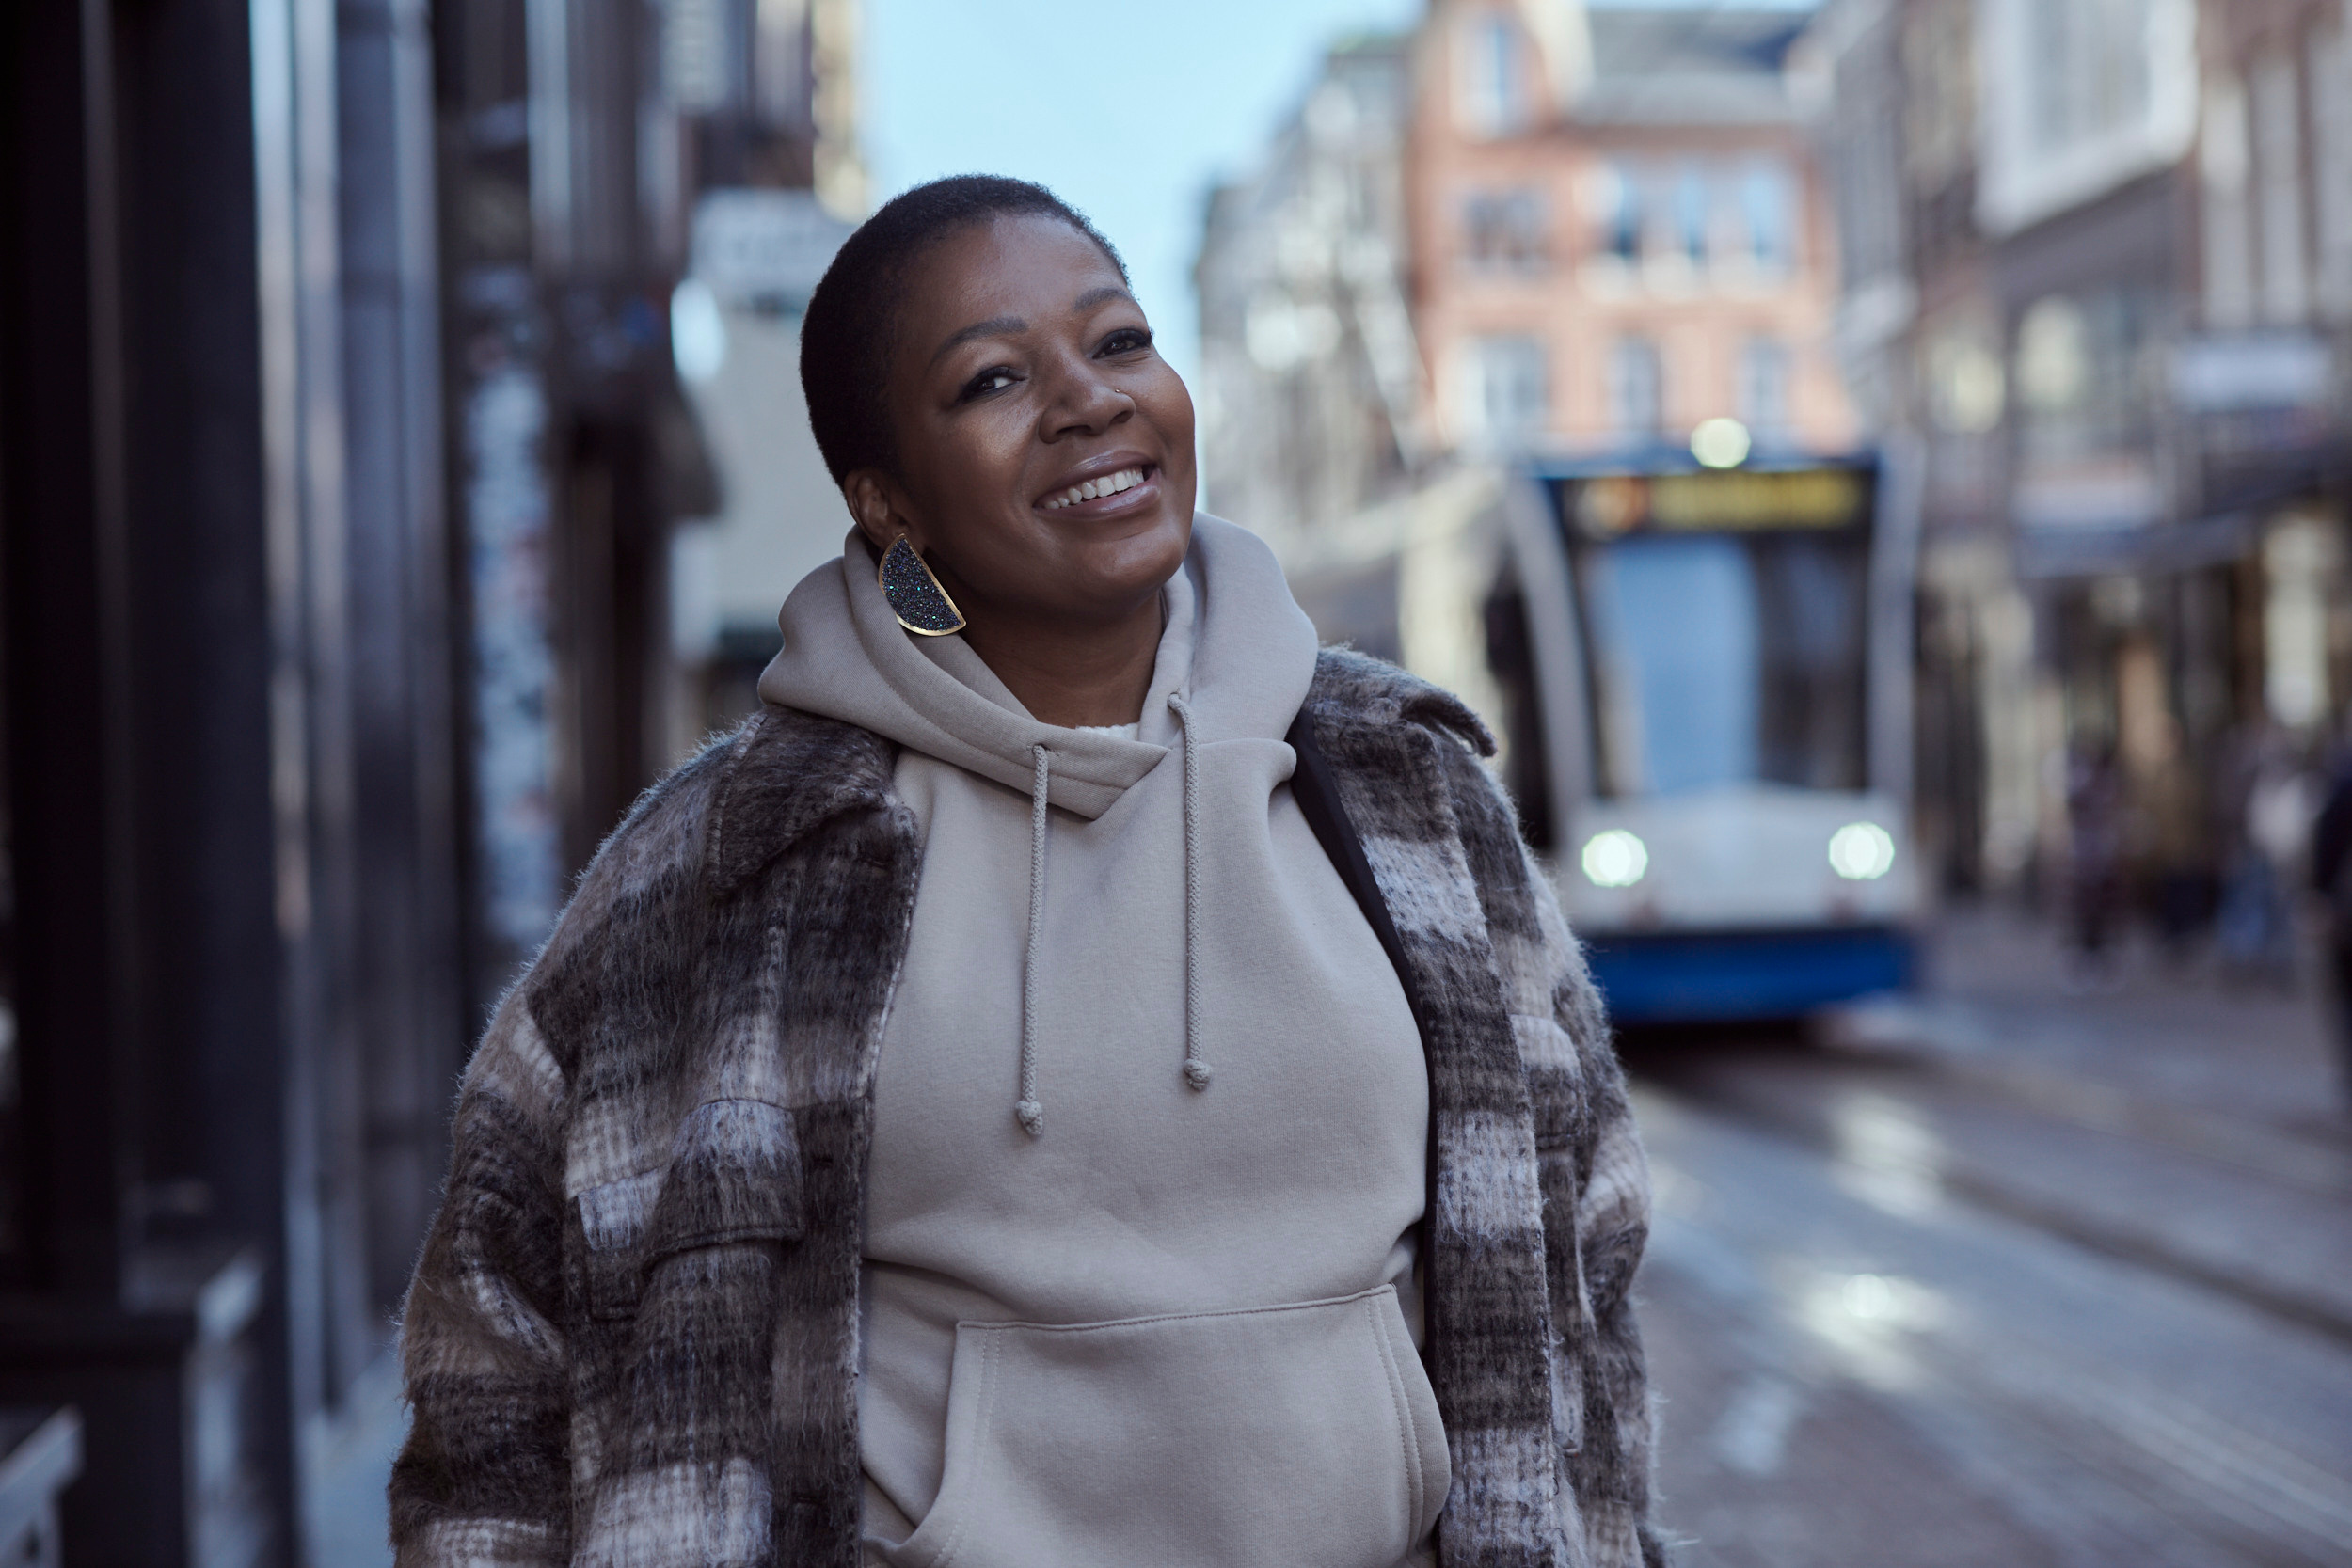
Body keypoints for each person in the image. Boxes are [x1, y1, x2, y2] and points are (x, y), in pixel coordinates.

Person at [389, 175, 1663, 1568]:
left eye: (1118, 343)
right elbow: (495, 1334)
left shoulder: (1406, 789)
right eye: (995, 377)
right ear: (888, 504)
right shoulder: (731, 861)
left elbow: (1583, 1231)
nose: (1089, 401)